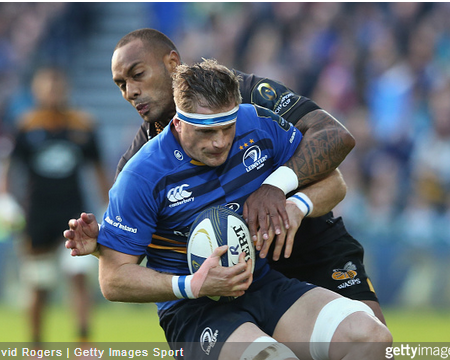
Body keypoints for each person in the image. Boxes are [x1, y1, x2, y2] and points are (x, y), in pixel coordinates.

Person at [64, 28, 386, 324]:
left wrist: (277, 187)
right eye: (121, 85)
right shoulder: (139, 162)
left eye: (137, 75)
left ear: (172, 62)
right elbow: (130, 254)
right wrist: (100, 246)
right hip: (242, 272)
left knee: (369, 337)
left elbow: (334, 137)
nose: (130, 92)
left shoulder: (245, 95)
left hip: (309, 239)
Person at [2, 67, 110, 342]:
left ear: (66, 88)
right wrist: (5, 200)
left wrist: (110, 207)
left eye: (57, 85)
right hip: (37, 214)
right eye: (46, 85)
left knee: (78, 276)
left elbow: (98, 170)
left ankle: (84, 342)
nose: (52, 91)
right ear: (36, 90)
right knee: (39, 283)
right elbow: (10, 168)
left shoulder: (82, 124)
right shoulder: (27, 125)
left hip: (73, 214)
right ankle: (36, 345)